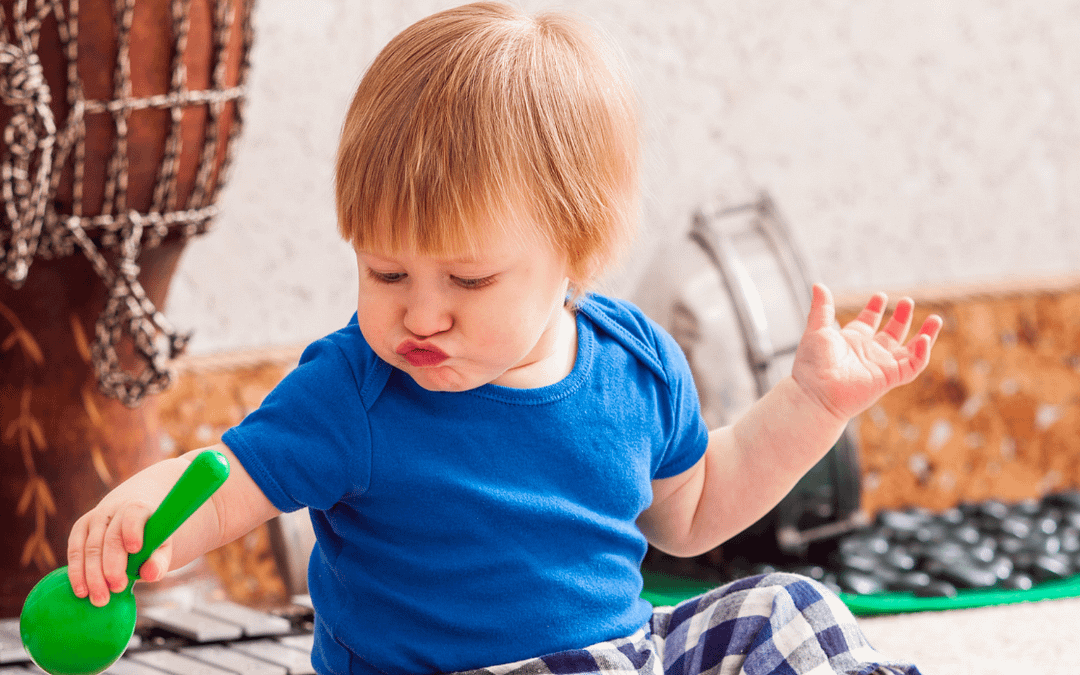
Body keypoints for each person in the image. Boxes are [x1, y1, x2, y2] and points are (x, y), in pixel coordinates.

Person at [64, 3, 941, 675]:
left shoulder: (633, 362)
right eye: (385, 273)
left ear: (574, 254)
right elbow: (229, 485)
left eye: (469, 280)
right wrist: (150, 519)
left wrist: (812, 404)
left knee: (789, 608)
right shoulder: (353, 390)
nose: (420, 314)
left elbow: (695, 508)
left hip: (615, 654)